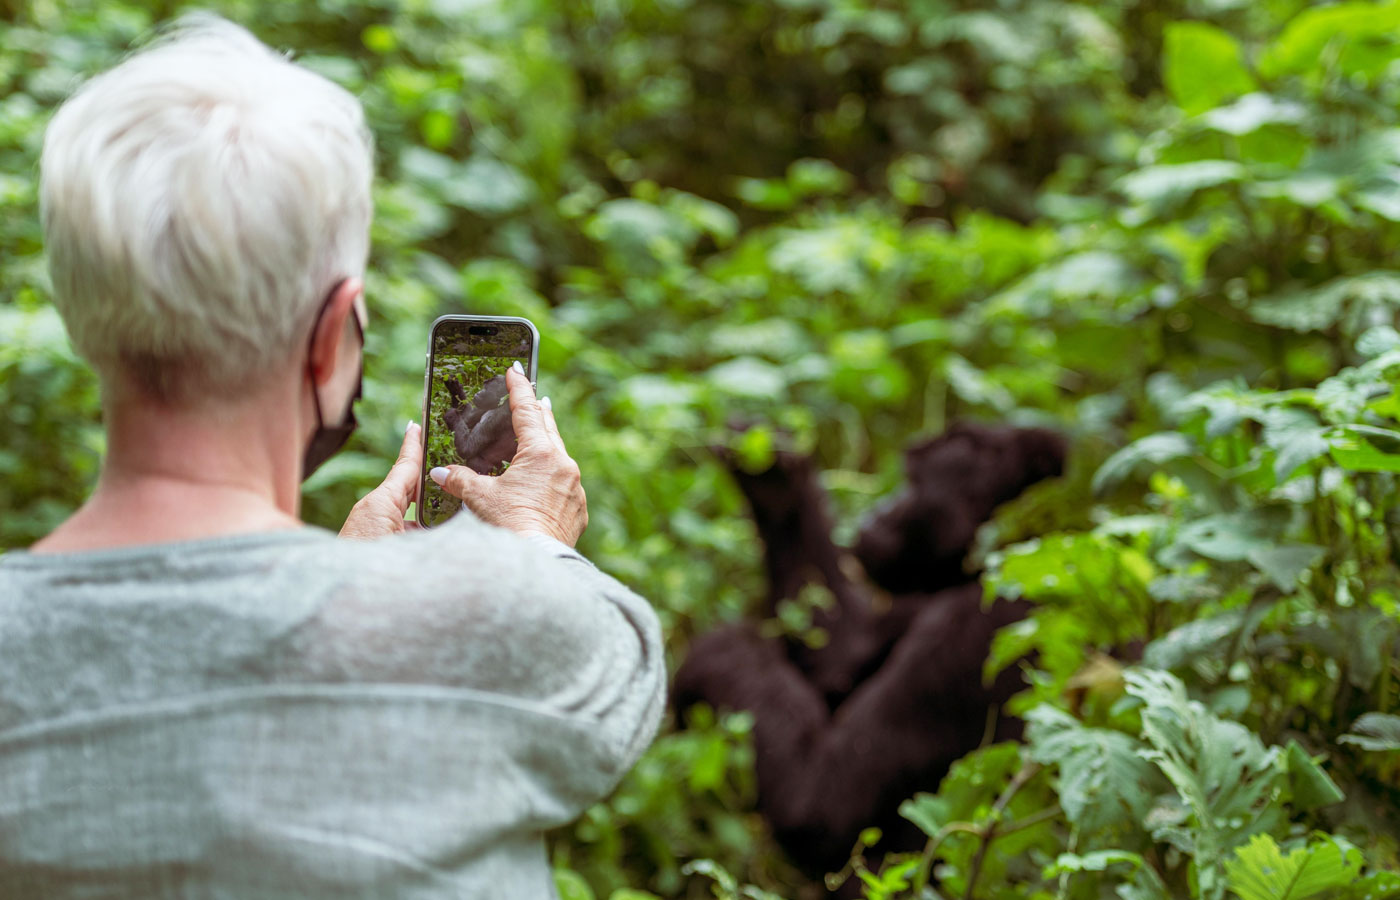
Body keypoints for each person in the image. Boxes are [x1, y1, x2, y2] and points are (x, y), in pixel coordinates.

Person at [0, 15, 665, 898]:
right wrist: (536, 541)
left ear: (79, 314)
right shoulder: (497, 626)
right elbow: (623, 671)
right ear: (333, 337)